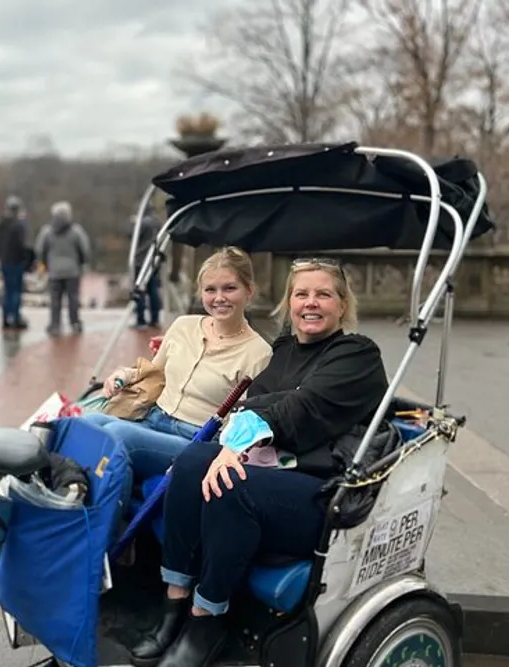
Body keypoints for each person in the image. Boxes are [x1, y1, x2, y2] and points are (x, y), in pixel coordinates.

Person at [129, 258, 389, 667]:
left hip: (319, 492)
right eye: (301, 294)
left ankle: (206, 619)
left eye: (323, 294)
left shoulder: (356, 355)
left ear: (342, 304)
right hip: (272, 469)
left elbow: (299, 410)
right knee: (193, 458)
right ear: (289, 303)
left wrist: (245, 434)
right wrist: (251, 425)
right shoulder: (285, 351)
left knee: (232, 484)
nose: (311, 303)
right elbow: (252, 406)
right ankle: (174, 601)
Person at [81, 247, 272, 482]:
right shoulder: (183, 326)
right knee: (87, 422)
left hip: (196, 439)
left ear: (249, 291)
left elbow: (247, 421)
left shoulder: (259, 353)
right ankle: (68, 493)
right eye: (210, 290)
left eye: (230, 288)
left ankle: (104, 513)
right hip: (153, 418)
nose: (219, 298)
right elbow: (154, 373)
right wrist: (123, 375)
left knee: (117, 434)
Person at [35, 201, 91, 336]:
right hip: (72, 271)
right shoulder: (76, 231)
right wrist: (82, 262)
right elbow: (85, 249)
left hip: (54, 271)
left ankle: (55, 324)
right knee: (73, 298)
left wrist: (45, 263)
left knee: (55, 300)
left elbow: (40, 249)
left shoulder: (47, 231)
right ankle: (75, 322)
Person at [0, 195, 31, 330]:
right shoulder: (19, 225)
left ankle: (5, 318)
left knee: (7, 290)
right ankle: (15, 317)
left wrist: (1, 255)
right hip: (16, 261)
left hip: (4, 261)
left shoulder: (1, 225)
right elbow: (22, 244)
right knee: (16, 291)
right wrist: (26, 259)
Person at [130, 205, 162, 329]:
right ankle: (155, 318)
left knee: (140, 289)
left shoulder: (142, 223)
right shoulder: (157, 222)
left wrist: (134, 223)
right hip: (153, 260)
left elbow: (132, 235)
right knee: (153, 289)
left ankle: (140, 319)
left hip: (141, 260)